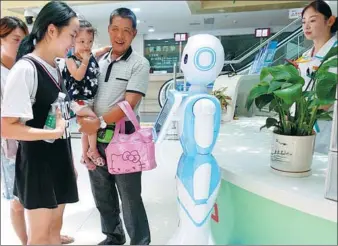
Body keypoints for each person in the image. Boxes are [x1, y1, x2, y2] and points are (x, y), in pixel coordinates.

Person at [1, 1, 79, 245]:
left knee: (55, 231)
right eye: (72, 35)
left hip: (59, 158)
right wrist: (53, 132)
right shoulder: (25, 69)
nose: (74, 43)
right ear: (52, 30)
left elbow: (56, 109)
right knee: (40, 237)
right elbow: (7, 127)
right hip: (38, 165)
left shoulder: (55, 67)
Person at [77, 7, 151, 245]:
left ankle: (140, 241)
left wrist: (97, 122)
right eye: (115, 29)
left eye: (126, 31)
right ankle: (113, 236)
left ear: (134, 33)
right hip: (96, 139)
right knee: (102, 195)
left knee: (130, 197)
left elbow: (129, 104)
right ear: (109, 30)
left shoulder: (139, 64)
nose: (120, 36)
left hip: (124, 139)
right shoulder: (97, 60)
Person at [62, 19, 110, 168]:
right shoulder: (70, 60)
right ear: (73, 41)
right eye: (81, 41)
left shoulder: (91, 54)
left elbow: (102, 50)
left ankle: (84, 156)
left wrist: (110, 49)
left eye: (90, 41)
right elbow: (77, 76)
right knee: (93, 121)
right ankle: (93, 151)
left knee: (87, 130)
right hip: (78, 100)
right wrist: (85, 61)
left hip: (90, 99)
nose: (86, 45)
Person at [1, 16, 29, 245]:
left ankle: (46, 235)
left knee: (39, 194)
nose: (21, 45)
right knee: (17, 199)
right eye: (15, 39)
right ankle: (26, 240)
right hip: (9, 145)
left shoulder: (25, 66)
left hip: (34, 139)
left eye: (24, 40)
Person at [296, 0, 337, 154]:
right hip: (304, 128)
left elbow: (325, 101)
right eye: (303, 22)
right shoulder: (306, 56)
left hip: (326, 130)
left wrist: (298, 120)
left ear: (330, 21)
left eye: (312, 20)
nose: (306, 26)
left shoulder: (335, 54)